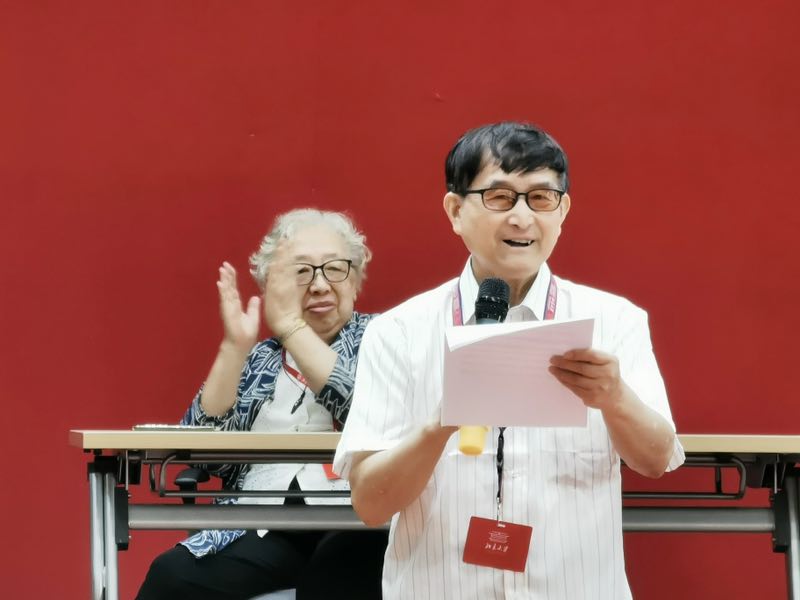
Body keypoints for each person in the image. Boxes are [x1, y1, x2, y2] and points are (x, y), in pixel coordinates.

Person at [333, 122, 685, 599]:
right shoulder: (399, 332)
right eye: (499, 197)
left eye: (541, 198)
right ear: (456, 210)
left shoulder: (615, 320)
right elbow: (370, 505)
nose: (522, 218)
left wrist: (616, 399)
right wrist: (440, 423)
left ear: (563, 211)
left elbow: (656, 459)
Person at [137, 208, 388, 600]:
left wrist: (290, 326)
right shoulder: (262, 360)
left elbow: (364, 409)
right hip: (265, 521)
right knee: (171, 576)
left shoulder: (384, 338)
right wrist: (234, 348)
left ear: (355, 281)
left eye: (335, 269)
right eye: (301, 272)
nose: (319, 285)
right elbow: (202, 452)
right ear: (273, 287)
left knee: (335, 574)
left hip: (356, 519)